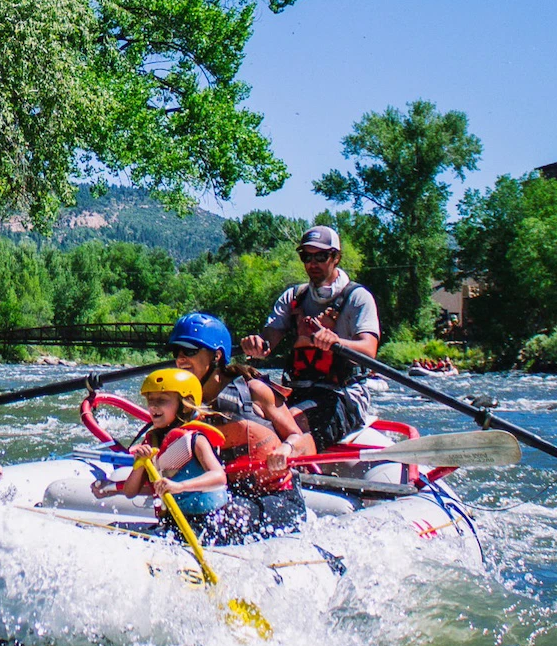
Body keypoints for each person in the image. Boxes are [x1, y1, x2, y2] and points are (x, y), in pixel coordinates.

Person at [239, 225, 381, 452]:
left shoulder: (358, 298)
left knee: (291, 420)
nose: (312, 264)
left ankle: (287, 462)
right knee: (252, 415)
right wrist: (256, 345)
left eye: (321, 256)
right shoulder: (293, 297)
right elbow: (268, 342)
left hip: (343, 395)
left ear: (336, 257)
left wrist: (336, 343)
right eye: (306, 256)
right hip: (298, 391)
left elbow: (369, 351)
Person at [164, 312, 314, 474]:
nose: (180, 359)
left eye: (189, 351)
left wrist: (286, 449)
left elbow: (298, 436)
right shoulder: (183, 402)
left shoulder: (254, 391)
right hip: (219, 489)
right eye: (176, 352)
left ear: (217, 355)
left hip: (272, 489)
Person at [90, 368, 230, 540]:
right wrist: (140, 463)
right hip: (174, 520)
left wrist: (180, 486)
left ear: (184, 406)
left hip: (210, 520)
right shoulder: (151, 442)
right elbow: (130, 491)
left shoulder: (196, 439)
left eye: (162, 400)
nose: (153, 406)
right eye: (150, 400)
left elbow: (219, 477)